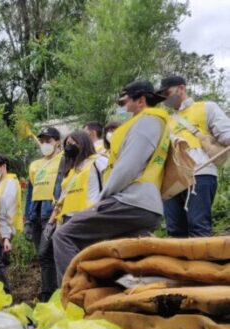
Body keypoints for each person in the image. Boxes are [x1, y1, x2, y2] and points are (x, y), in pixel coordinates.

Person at [53, 80, 169, 282]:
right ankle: (136, 293)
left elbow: (127, 167)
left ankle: (76, 294)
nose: (122, 108)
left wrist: (102, 199)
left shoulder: (147, 122)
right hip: (144, 205)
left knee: (63, 236)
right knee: (119, 256)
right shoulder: (156, 123)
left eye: (124, 102)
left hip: (129, 201)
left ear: (140, 100)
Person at [158, 75, 230, 238]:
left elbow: (226, 134)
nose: (165, 98)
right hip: (173, 179)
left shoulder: (206, 107)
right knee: (175, 231)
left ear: (181, 88)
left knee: (199, 227)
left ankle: (202, 263)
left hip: (200, 173)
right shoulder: (167, 121)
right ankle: (179, 264)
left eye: (167, 93)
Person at [25, 126, 64, 301]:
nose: (45, 144)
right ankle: (47, 293)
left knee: (51, 253)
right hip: (36, 213)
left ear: (57, 142)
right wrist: (27, 219)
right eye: (42, 141)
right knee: (43, 257)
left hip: (53, 213)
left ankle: (57, 293)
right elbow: (29, 193)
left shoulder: (63, 160)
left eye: (48, 140)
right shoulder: (35, 165)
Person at [53, 131, 107, 224]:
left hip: (89, 215)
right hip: (68, 217)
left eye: (72, 143)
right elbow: (63, 196)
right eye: (67, 144)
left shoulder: (98, 161)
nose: (69, 147)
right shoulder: (71, 169)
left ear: (83, 142)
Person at [0, 155, 22, 290]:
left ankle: (5, 293)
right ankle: (0, 293)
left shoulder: (11, 182)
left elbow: (4, 206)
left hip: (6, 226)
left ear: (3, 167)